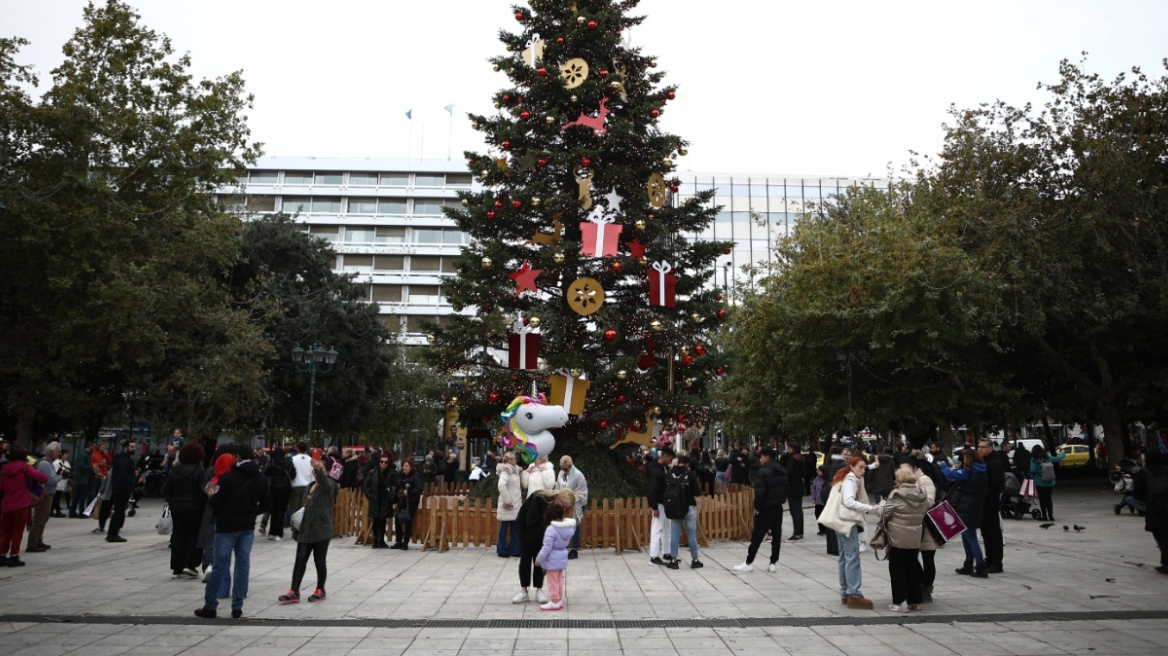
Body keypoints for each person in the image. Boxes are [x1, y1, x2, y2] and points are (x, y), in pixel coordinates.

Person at [195, 445, 270, 620]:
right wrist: (251, 512)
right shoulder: (260, 478)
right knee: (243, 564)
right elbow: (266, 505)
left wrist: (212, 497)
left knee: (220, 565)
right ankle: (237, 606)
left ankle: (210, 605)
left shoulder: (228, 478)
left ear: (237, 457)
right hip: (247, 526)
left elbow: (214, 504)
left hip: (227, 526)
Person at [820, 456, 880, 609]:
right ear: (852, 466)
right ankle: (854, 593)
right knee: (852, 557)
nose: (863, 471)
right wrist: (870, 507)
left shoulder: (843, 476)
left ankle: (845, 593)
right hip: (847, 522)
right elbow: (848, 501)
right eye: (860, 467)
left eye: (864, 468)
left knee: (844, 557)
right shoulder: (851, 480)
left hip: (839, 522)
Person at [279, 456, 336, 604]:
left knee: (319, 560)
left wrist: (320, 471)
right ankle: (294, 590)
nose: (316, 471)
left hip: (321, 529)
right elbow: (303, 507)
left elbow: (326, 484)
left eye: (321, 468)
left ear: (327, 471)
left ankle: (320, 589)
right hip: (306, 529)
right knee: (300, 559)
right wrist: (297, 529)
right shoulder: (309, 486)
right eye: (315, 468)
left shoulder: (329, 485)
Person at [879, 467, 928, 612]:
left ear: (899, 479)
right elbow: (924, 511)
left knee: (897, 568)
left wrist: (882, 505)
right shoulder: (921, 493)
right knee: (912, 567)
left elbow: (884, 513)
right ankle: (916, 600)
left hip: (898, 537)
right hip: (915, 536)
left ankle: (900, 603)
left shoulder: (897, 494)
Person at [735, 447, 788, 573]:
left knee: (757, 536)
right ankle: (773, 563)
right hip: (778, 507)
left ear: (765, 456)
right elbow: (787, 489)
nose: (760, 459)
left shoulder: (763, 472)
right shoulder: (782, 470)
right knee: (776, 535)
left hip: (765, 508)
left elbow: (760, 493)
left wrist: (757, 507)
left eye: (761, 457)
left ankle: (749, 562)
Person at [512, 488, 567, 604]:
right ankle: (524, 591)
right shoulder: (540, 498)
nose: (564, 508)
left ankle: (539, 589)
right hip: (526, 527)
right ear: (560, 498)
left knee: (539, 559)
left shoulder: (557, 506)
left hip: (540, 529)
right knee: (526, 559)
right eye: (564, 504)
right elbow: (532, 520)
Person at [940, 448, 989, 578]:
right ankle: (968, 563)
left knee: (971, 537)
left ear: (970, 459)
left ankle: (980, 566)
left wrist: (943, 465)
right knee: (966, 536)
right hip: (975, 506)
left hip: (966, 507)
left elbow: (950, 474)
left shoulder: (969, 471)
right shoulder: (982, 471)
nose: (964, 460)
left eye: (965, 458)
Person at [903, 450, 942, 601]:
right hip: (913, 525)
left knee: (928, 557)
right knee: (911, 557)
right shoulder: (908, 480)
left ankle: (926, 588)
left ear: (913, 467)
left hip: (926, 525)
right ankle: (920, 584)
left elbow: (929, 501)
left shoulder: (924, 480)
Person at [0, 445, 49, 567]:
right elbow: (43, 478)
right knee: (17, 532)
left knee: (5, 533)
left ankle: (1, 556)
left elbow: (1, 488)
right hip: (21, 504)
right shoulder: (25, 468)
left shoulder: (4, 469)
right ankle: (14, 557)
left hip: (6, 505)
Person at [164, 442, 207, 579]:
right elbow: (202, 492)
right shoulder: (199, 471)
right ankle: (191, 564)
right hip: (194, 507)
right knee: (193, 535)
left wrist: (171, 500)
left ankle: (177, 567)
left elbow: (166, 489)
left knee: (177, 535)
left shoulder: (175, 469)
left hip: (177, 507)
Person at [534, 490, 576, 611]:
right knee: (559, 580)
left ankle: (554, 601)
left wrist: (538, 560)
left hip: (552, 560)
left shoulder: (551, 530)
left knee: (552, 581)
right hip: (562, 557)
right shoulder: (567, 529)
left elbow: (547, 547)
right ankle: (559, 600)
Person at [1132, 448, 1168, 573]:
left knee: (1161, 537)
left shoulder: (1143, 473)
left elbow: (1136, 493)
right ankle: (1165, 564)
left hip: (1154, 509)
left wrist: (1149, 499)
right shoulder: (1166, 470)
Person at [665, 455, 704, 570]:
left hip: (674, 507)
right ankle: (695, 560)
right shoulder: (690, 474)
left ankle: (673, 560)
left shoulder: (669, 473)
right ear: (687, 464)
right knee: (691, 534)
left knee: (675, 533)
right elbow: (697, 492)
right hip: (689, 507)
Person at [25, 442, 62, 552]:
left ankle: (38, 540)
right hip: (44, 494)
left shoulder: (48, 463)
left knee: (44, 519)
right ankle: (32, 543)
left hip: (47, 493)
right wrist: (61, 476)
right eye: (58, 451)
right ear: (51, 452)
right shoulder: (45, 464)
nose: (59, 454)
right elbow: (50, 480)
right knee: (39, 519)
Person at [978, 440, 1006, 573]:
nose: (980, 449)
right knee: (985, 532)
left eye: (982, 447)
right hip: (983, 503)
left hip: (990, 503)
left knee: (994, 532)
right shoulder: (984, 462)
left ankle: (996, 562)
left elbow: (997, 485)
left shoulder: (995, 463)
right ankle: (988, 559)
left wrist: (985, 495)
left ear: (990, 448)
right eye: (979, 447)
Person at [554, 455, 588, 559]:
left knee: (575, 527)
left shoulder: (578, 475)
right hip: (563, 504)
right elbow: (557, 486)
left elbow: (583, 493)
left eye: (565, 468)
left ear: (570, 466)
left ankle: (574, 550)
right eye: (562, 468)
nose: (563, 470)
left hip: (575, 504)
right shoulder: (561, 473)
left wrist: (571, 499)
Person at [646, 447, 675, 565]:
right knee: (657, 529)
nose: (670, 461)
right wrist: (654, 507)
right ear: (665, 456)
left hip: (664, 503)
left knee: (667, 529)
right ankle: (653, 556)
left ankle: (666, 552)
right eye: (670, 459)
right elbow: (652, 489)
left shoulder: (661, 469)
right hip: (659, 503)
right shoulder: (657, 472)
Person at [105, 440, 137, 544]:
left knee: (119, 512)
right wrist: (130, 482)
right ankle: (112, 534)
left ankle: (113, 533)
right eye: (132, 447)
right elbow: (123, 477)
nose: (134, 449)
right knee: (118, 512)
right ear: (125, 447)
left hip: (121, 489)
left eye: (134, 447)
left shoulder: (124, 459)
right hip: (121, 490)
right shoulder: (123, 460)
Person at [364, 453, 397, 549]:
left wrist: (392, 492)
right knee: (376, 520)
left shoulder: (391, 473)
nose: (383, 464)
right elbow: (366, 485)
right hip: (375, 499)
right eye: (382, 462)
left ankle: (382, 540)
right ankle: (375, 540)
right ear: (378, 462)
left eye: (386, 462)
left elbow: (395, 485)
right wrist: (369, 495)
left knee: (383, 520)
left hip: (386, 499)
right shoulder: (372, 472)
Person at [496, 452, 523, 558]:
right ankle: (502, 549)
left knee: (514, 526)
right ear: (510, 460)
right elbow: (501, 485)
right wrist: (507, 500)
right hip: (508, 503)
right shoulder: (505, 471)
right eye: (514, 459)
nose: (515, 460)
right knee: (505, 525)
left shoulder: (514, 470)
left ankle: (515, 549)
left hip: (515, 502)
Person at [1030, 444, 1066, 521]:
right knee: (1048, 499)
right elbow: (1058, 458)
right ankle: (1051, 516)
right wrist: (1063, 453)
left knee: (1042, 499)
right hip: (1050, 482)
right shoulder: (1048, 457)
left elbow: (1032, 470)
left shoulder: (1034, 459)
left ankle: (1044, 516)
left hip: (1039, 482)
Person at [392, 459, 423, 549]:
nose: (404, 468)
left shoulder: (416, 475)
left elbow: (419, 488)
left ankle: (405, 542)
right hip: (401, 500)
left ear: (411, 467)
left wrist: (408, 492)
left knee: (407, 520)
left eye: (406, 466)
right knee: (397, 519)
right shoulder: (401, 476)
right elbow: (398, 486)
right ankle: (398, 541)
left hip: (411, 501)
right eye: (403, 466)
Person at [264, 448, 292, 542]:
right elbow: (293, 473)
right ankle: (279, 534)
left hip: (274, 489)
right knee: (281, 512)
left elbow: (265, 473)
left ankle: (272, 532)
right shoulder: (287, 463)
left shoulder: (272, 464)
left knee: (274, 511)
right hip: (285, 489)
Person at [779, 442, 806, 541]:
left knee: (794, 510)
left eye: (789, 448)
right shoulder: (801, 458)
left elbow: (787, 472)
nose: (788, 450)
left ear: (793, 449)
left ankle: (797, 533)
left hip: (792, 486)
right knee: (799, 510)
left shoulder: (791, 459)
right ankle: (800, 531)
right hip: (799, 485)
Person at [288, 442, 314, 535]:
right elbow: (313, 473)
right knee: (305, 507)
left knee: (294, 507)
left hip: (295, 485)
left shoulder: (292, 459)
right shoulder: (310, 459)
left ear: (297, 448)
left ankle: (295, 527)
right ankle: (304, 525)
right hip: (307, 485)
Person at [70, 443, 95, 518]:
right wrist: (91, 467)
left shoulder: (85, 454)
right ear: (90, 446)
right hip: (81, 478)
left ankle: (72, 511)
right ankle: (81, 512)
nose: (94, 448)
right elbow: (80, 466)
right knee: (83, 495)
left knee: (78, 495)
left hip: (82, 478)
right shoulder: (83, 455)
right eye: (93, 446)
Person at [51, 448, 72, 518]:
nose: (67, 456)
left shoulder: (67, 463)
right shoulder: (56, 462)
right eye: (65, 454)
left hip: (63, 483)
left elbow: (69, 471)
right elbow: (56, 472)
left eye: (67, 454)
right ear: (61, 455)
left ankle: (51, 511)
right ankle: (57, 511)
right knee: (56, 498)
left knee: (57, 498)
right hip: (57, 482)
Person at [812, 465, 828, 537]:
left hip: (824, 502)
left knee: (824, 516)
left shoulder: (826, 480)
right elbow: (814, 489)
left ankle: (825, 529)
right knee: (817, 514)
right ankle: (821, 529)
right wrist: (813, 498)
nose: (818, 472)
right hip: (818, 501)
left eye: (819, 471)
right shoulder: (816, 479)